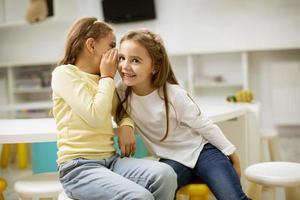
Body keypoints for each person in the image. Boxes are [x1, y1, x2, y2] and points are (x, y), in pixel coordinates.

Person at [51, 18, 177, 200]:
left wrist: (126, 125)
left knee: (166, 175)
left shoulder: (102, 80)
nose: (117, 54)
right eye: (111, 45)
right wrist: (107, 77)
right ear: (91, 45)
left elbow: (121, 112)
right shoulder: (65, 74)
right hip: (78, 169)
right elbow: (95, 115)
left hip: (111, 161)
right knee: (139, 196)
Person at [116, 29, 250, 200]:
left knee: (233, 197)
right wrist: (125, 125)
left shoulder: (174, 95)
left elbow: (205, 126)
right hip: (172, 160)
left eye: (135, 60)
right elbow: (116, 112)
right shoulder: (121, 92)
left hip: (203, 152)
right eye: (122, 58)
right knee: (154, 193)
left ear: (155, 67)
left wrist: (233, 155)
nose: (125, 66)